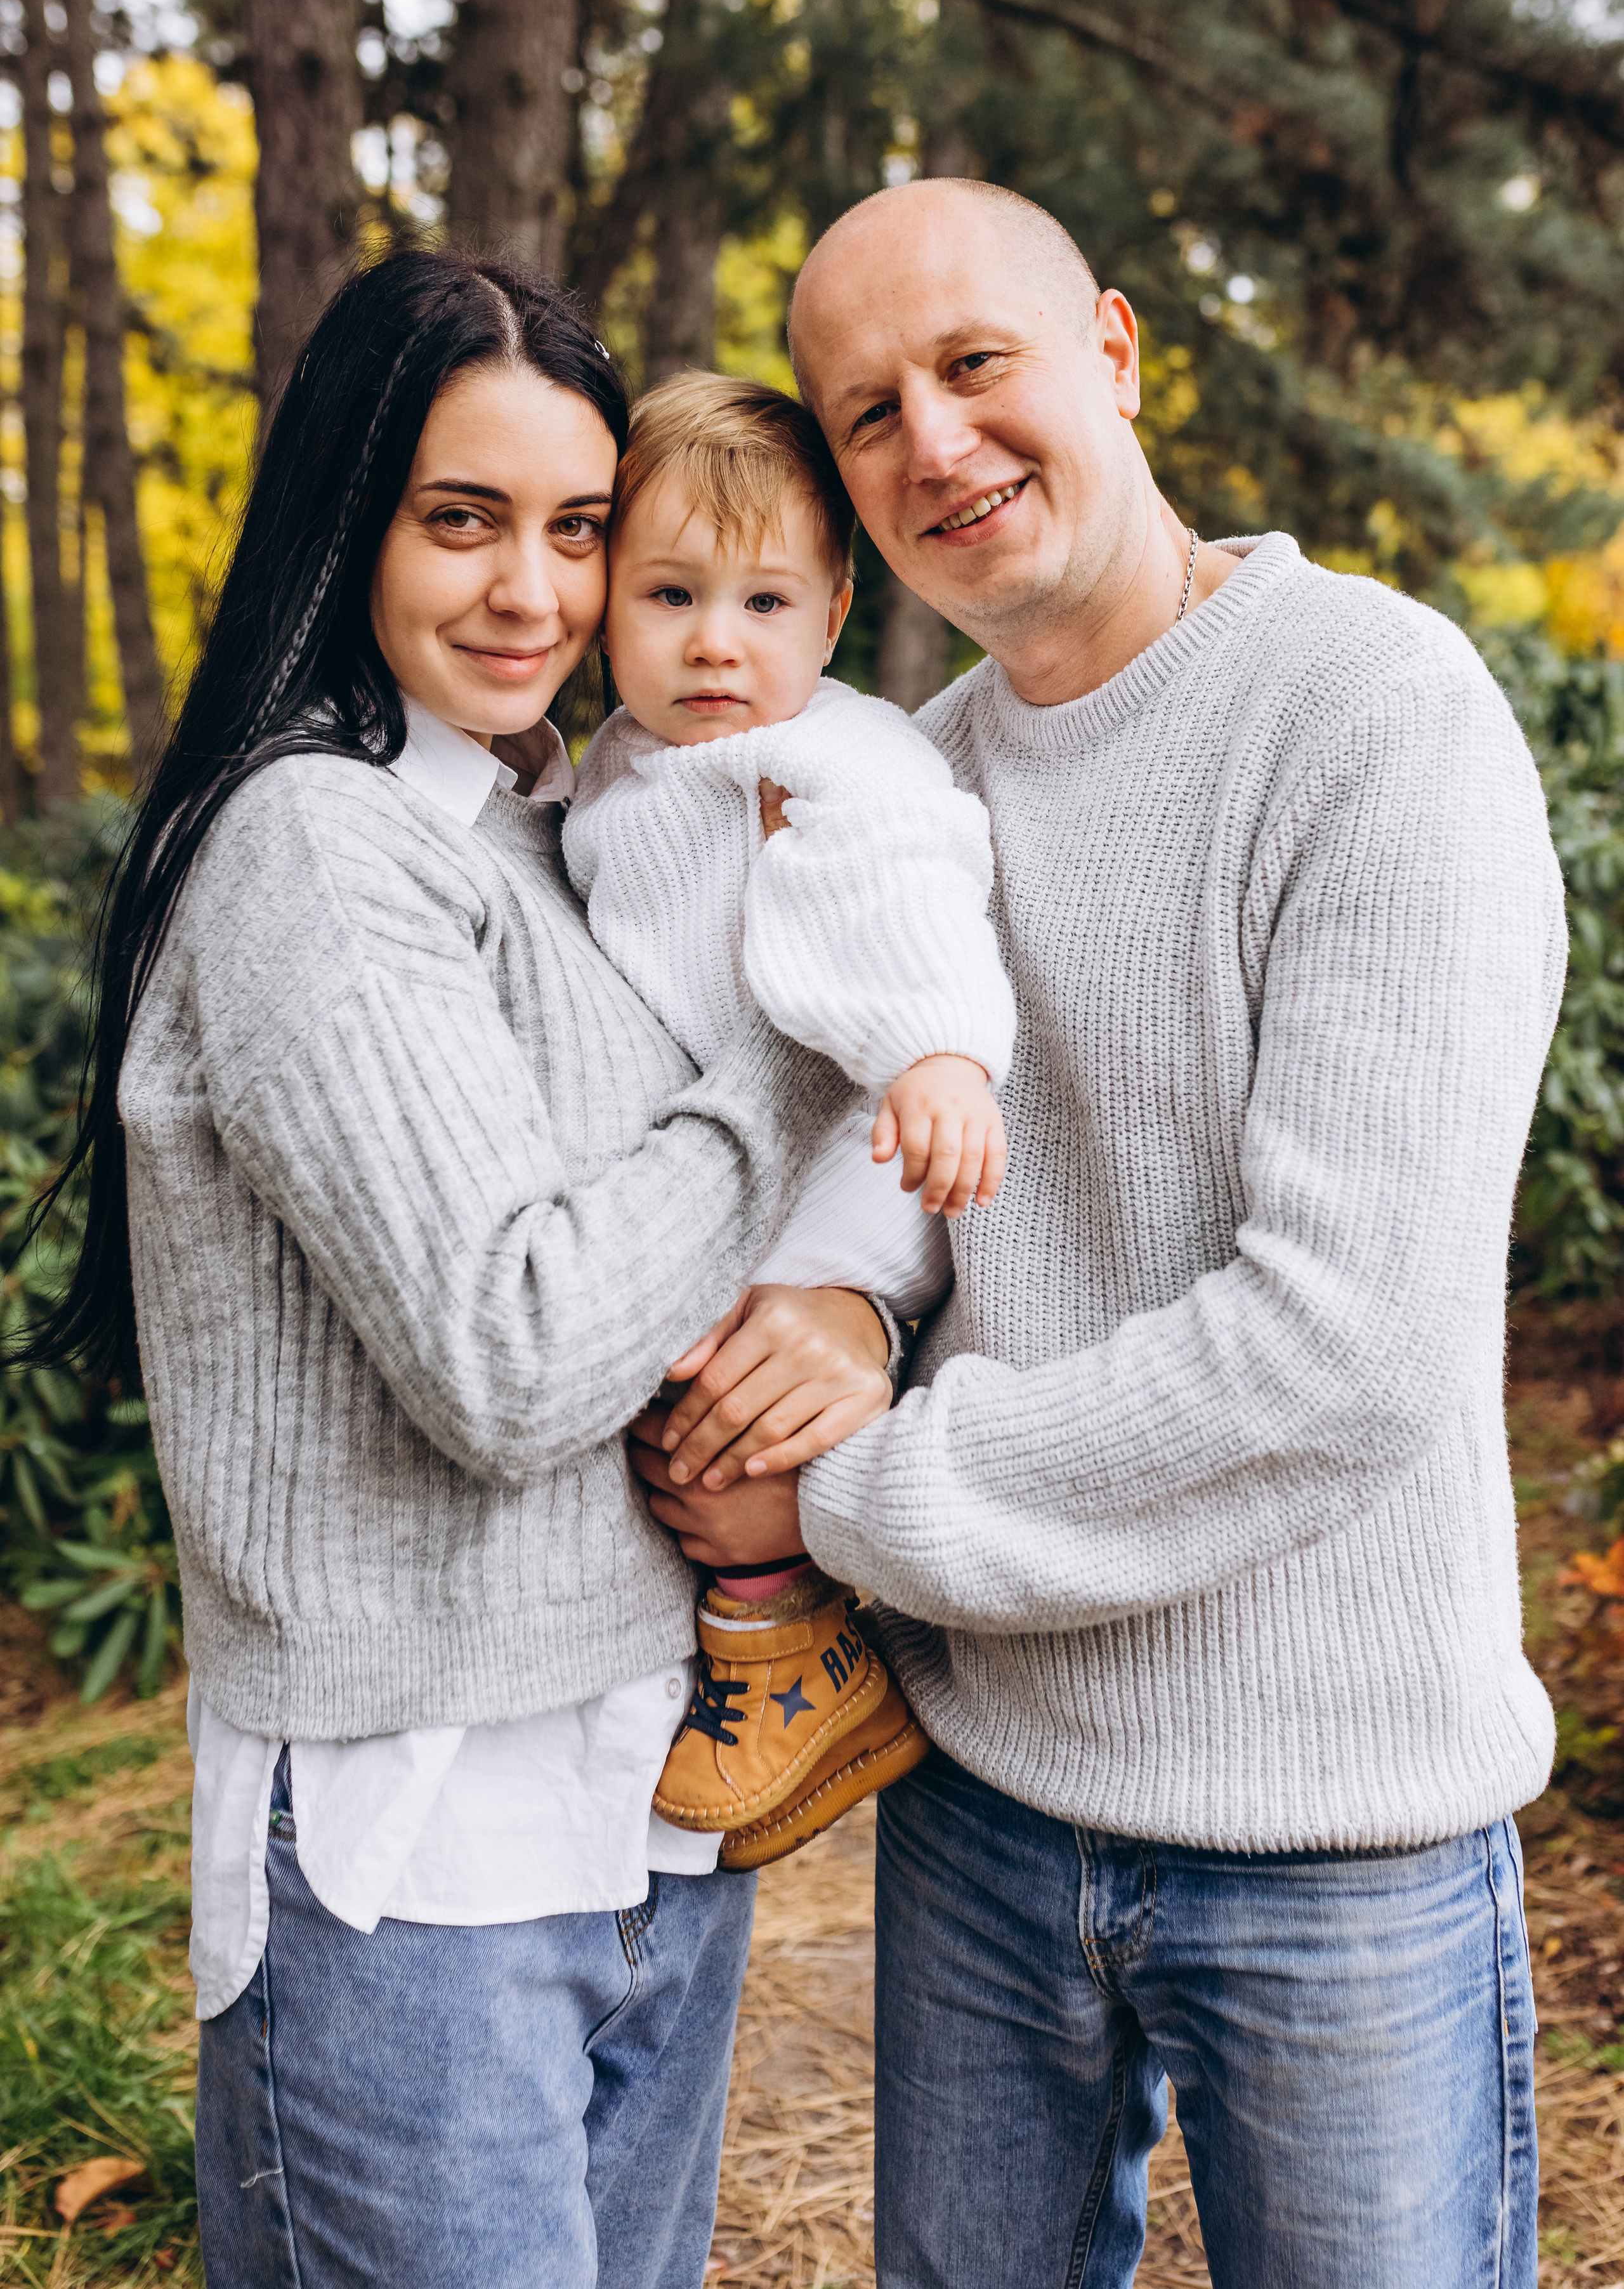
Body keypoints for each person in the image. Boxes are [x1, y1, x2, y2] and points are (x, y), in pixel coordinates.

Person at [638, 180, 1566, 2288]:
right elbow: (863, 1191)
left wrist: (852, 1484)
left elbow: (1341, 1346)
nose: (933, 444)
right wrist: (838, 1308)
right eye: (868, 414)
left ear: (1119, 354)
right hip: (983, 1804)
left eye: (975, 366)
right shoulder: (899, 789)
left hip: (1342, 1832)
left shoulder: (1375, 716)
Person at [27, 247, 900, 2289]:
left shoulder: (550, 832)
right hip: (414, 1854)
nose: (531, 590)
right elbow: (511, 1350)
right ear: (352, 520)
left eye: (579, 530)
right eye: (462, 518)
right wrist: (794, 1033)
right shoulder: (318, 850)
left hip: (646, 1809)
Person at [562, 370, 1016, 1867]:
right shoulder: (615, 768)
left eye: (762, 604)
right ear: (603, 603)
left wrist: (935, 1049)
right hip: (728, 1161)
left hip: (859, 1161)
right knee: (688, 1395)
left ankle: (797, 1665)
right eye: (671, 594)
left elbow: (900, 879)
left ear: (827, 620)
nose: (711, 641)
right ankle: (763, 1641)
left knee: (740, 1408)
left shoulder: (827, 752)